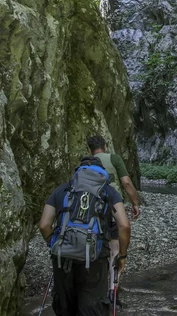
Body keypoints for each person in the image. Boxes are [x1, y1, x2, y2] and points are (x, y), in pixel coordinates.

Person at [39, 156, 131, 316]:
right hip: (95, 257)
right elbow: (124, 225)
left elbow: (44, 225)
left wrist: (53, 243)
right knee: (92, 306)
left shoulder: (62, 190)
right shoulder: (109, 191)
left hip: (62, 255)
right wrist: (122, 255)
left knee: (65, 306)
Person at [87, 135, 140, 306]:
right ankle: (112, 291)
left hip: (91, 211)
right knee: (115, 248)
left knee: (94, 246)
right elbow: (126, 183)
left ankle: (94, 289)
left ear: (90, 149)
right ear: (105, 145)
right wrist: (135, 203)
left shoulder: (86, 163)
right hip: (112, 208)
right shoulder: (114, 158)